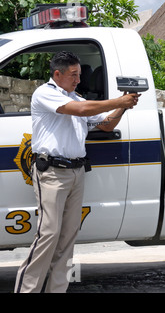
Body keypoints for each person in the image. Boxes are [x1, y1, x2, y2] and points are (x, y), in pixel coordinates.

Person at [14, 51, 139, 293]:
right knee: (48, 235)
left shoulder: (77, 98)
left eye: (79, 75)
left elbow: (106, 124)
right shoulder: (46, 93)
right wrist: (117, 102)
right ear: (57, 74)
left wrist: (125, 105)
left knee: (68, 238)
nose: (78, 80)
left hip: (76, 172)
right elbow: (81, 111)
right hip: (52, 172)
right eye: (73, 75)